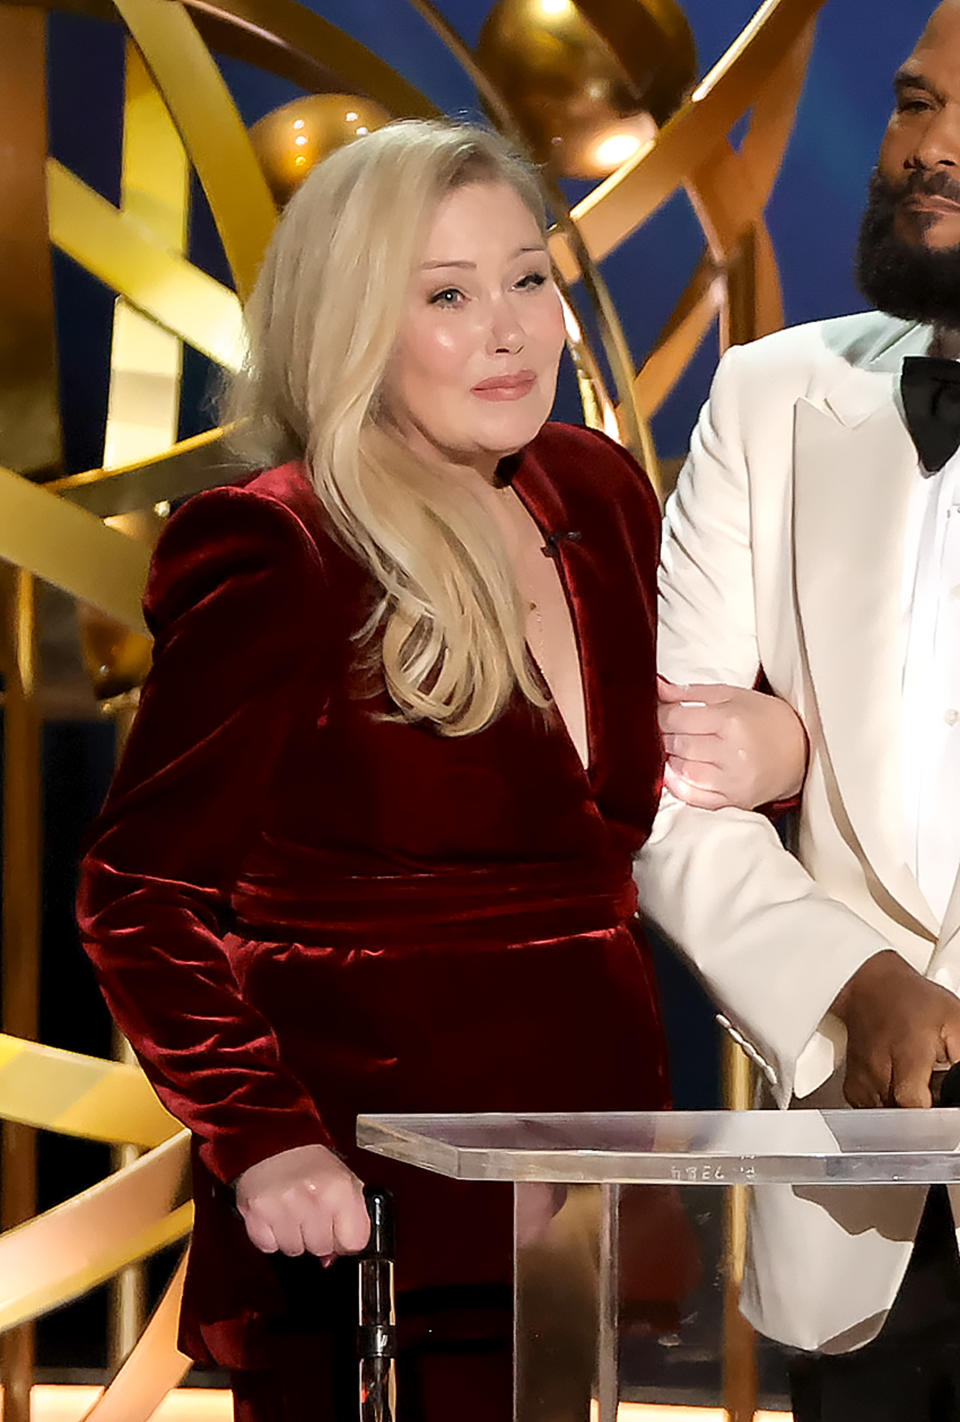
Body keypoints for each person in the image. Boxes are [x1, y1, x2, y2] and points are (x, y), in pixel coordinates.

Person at [77, 119, 795, 1421]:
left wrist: (779, 749)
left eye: (529, 278)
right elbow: (140, 894)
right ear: (356, 321)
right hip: (367, 1202)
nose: (511, 329)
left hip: (590, 1169)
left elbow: (655, 785)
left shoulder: (597, 487)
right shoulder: (281, 547)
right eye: (450, 296)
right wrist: (266, 1137)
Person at [635, 4, 960, 1418]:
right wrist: (857, 986)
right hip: (858, 1190)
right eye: (912, 104)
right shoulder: (768, 398)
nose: (928, 151)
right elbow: (669, 791)